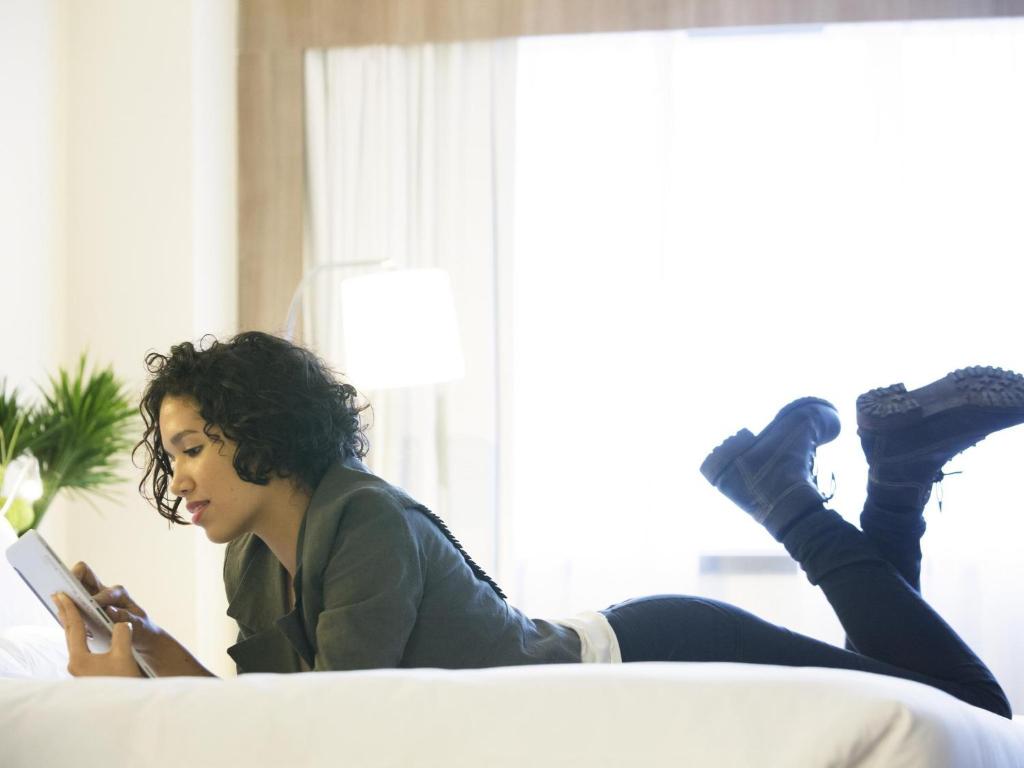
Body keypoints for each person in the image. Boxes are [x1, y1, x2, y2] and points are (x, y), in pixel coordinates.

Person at [52, 332, 1022, 719]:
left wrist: (123, 705)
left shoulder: (362, 520)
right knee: (909, 698)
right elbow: (261, 723)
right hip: (627, 648)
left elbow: (327, 722)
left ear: (259, 432)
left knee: (972, 707)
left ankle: (791, 496)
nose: (176, 479)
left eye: (189, 448)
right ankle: (900, 472)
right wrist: (150, 653)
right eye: (169, 453)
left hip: (655, 647)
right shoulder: (255, 565)